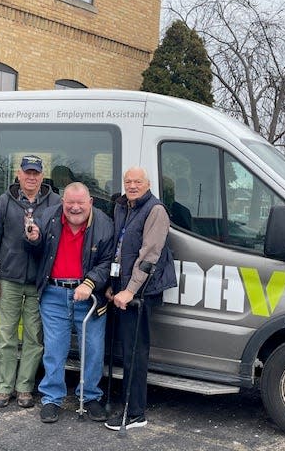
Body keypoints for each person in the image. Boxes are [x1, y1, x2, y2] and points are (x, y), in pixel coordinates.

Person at [26, 182, 114, 423]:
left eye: (80, 203)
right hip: (54, 294)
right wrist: (33, 239)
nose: (75, 208)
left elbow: (107, 262)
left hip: (90, 296)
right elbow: (36, 249)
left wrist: (90, 283)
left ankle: (90, 397)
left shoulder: (104, 224)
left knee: (94, 350)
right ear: (62, 202)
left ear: (90, 203)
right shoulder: (47, 217)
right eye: (70, 202)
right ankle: (51, 399)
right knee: (54, 350)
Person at [0, 154, 61, 409]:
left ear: (42, 176)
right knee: (6, 336)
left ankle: (24, 388)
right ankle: (4, 387)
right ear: (19, 174)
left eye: (36, 173)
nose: (31, 177)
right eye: (27, 172)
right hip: (9, 280)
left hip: (39, 283)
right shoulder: (4, 202)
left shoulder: (55, 203)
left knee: (34, 339)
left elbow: (57, 244)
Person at [104, 166, 177, 431]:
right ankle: (122, 403)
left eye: (137, 181)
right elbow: (119, 248)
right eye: (128, 181)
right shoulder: (123, 206)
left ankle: (134, 414)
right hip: (122, 287)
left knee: (135, 352)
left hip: (140, 293)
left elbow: (149, 255)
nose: (132, 185)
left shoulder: (155, 210)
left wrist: (130, 290)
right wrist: (113, 285)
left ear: (148, 184)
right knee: (123, 350)